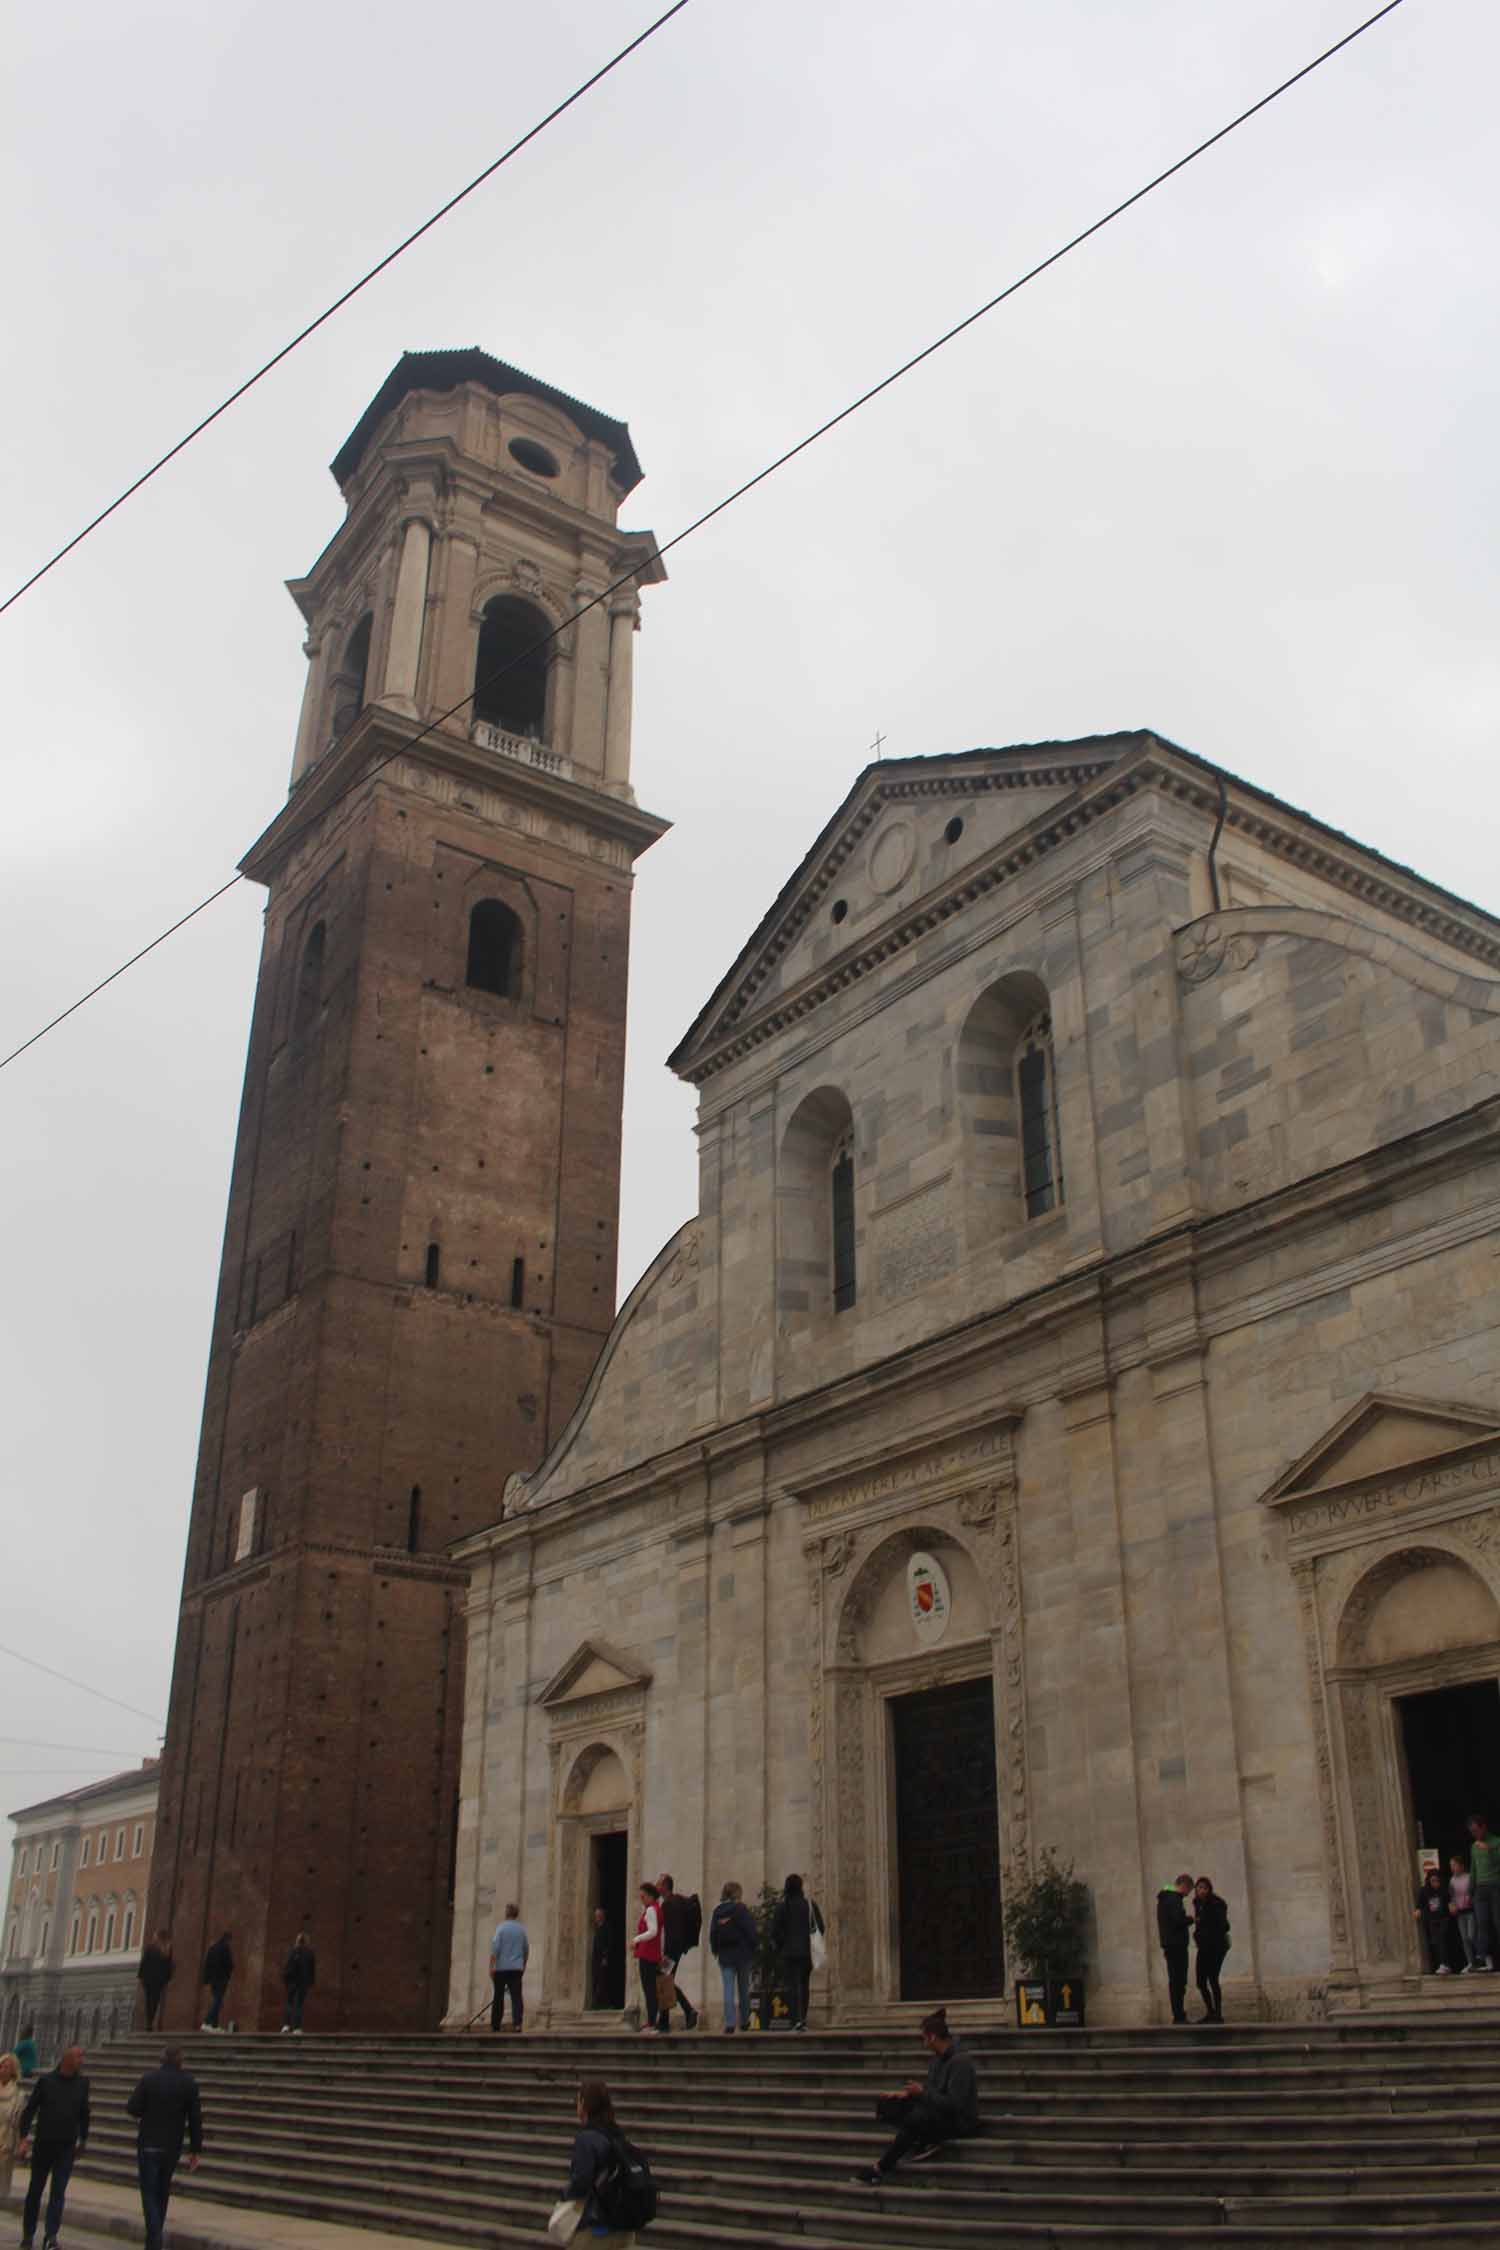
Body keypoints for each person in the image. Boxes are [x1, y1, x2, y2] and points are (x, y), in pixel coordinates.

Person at [851, 2007, 979, 2183]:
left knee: (916, 2119)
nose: (922, 2043)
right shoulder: (936, 2060)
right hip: (937, 2112)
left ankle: (880, 2167)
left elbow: (955, 2105)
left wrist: (922, 2093)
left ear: (932, 2037)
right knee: (888, 2106)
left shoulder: (960, 2062)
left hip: (959, 2122)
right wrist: (906, 2094)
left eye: (923, 2038)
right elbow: (932, 2091)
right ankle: (923, 2137)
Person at [126, 2045, 203, 2250]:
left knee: (149, 2192)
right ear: (180, 2060)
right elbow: (195, 2118)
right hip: (171, 2146)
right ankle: (154, 2236)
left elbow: (132, 2107)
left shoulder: (149, 2079)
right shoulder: (188, 2083)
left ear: (162, 2060)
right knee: (162, 2190)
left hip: (149, 2142)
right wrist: (195, 2149)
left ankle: (154, 2235)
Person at [17, 2043, 89, 2250]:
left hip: (66, 2147)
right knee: (35, 2190)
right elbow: (30, 2110)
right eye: (78, 2057)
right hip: (43, 2145)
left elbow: (84, 2113)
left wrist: (83, 2139)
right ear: (66, 2059)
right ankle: (28, 2234)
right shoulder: (46, 2082)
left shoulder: (83, 2083)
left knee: (58, 2192)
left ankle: (51, 2235)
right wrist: (24, 2138)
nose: (81, 2061)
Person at [562, 2079, 651, 2244]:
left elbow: (581, 2181)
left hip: (597, 2229)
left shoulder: (586, 2138)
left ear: (584, 2104)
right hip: (625, 2229)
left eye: (578, 2101)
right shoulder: (616, 2134)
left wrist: (564, 2195)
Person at [771, 1873, 824, 2032]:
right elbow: (820, 1926)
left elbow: (775, 1931)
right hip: (806, 1952)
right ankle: (803, 2019)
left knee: (793, 1986)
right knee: (804, 1984)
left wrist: (781, 1946)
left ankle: (796, 2019)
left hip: (789, 1953)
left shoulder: (782, 1907)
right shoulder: (809, 1905)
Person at [708, 1881, 757, 2035]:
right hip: (743, 1955)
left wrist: (716, 1950)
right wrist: (754, 1947)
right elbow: (750, 1930)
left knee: (728, 1990)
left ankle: (729, 2023)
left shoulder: (718, 1911)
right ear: (737, 1893)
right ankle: (744, 2021)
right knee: (743, 1989)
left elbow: (713, 1933)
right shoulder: (741, 1909)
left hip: (725, 1955)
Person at [655, 1875, 699, 2032]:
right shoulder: (677, 1901)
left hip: (671, 1951)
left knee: (664, 1981)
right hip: (676, 1949)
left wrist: (665, 1955)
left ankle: (688, 2011)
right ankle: (665, 2020)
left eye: (658, 1884)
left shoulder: (668, 1904)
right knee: (665, 1981)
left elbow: (672, 1932)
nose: (656, 1886)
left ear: (665, 1886)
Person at [1191, 1877, 1230, 2022]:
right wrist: (1197, 1935)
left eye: (1204, 1888)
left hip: (1216, 1947)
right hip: (1203, 1947)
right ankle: (1210, 2011)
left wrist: (1207, 1928)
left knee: (1213, 1978)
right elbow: (1199, 1925)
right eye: (1199, 1887)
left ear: (1209, 1889)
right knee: (1200, 1981)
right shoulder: (1197, 1903)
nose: (1201, 1890)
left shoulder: (1217, 1903)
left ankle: (1218, 2014)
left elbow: (1225, 1926)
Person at [1156, 1874, 1194, 2024]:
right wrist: (1191, 1919)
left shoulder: (1165, 1898)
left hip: (1170, 1944)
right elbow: (1178, 1920)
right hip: (1176, 1945)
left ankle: (1178, 2014)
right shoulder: (1173, 1898)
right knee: (1178, 1981)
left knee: (1175, 1980)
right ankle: (1179, 2015)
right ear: (1184, 1885)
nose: (1188, 1894)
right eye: (1189, 1890)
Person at [1468, 1813, 1500, 1971]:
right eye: (1471, 1832)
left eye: (1476, 1830)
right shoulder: (1474, 1847)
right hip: (1480, 1888)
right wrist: (1470, 1891)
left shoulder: (1496, 1842)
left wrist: (1489, 1850)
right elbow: (1473, 1869)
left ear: (1483, 1827)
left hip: (1495, 1886)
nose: (1474, 1834)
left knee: (1497, 1922)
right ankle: (1481, 1957)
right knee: (1482, 1924)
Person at [489, 1903, 528, 2032]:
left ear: (506, 1913)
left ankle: (496, 2024)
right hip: (516, 1968)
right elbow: (526, 1949)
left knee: (498, 1996)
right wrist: (523, 1965)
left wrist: (491, 1967)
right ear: (516, 1914)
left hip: (501, 1968)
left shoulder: (501, 1928)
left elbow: (495, 1949)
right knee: (516, 1996)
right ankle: (517, 2023)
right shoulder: (521, 1929)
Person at [632, 1883, 663, 2035]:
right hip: (652, 1954)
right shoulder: (656, 1908)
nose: (642, 1900)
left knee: (649, 1989)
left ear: (650, 1896)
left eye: (643, 1896)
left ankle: (652, 2023)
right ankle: (652, 2022)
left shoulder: (651, 1910)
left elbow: (653, 1931)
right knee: (652, 1989)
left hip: (647, 1954)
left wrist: (636, 1939)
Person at [1415, 1864, 1450, 1974]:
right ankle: (1442, 1964)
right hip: (1431, 1920)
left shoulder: (1443, 1889)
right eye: (1433, 1881)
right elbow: (1420, 1903)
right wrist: (1418, 1910)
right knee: (1435, 1942)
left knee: (1441, 1940)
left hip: (1443, 1918)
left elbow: (1449, 1900)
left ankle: (1444, 1964)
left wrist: (1451, 1904)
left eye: (1437, 1881)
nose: (1435, 1884)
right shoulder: (1424, 1890)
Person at [1, 2053, 26, 2204]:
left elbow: (18, 2122)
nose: (2, 2070)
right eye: (1, 2066)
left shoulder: (18, 2095)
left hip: (5, 2142)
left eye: (6, 2067)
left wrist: (20, 2144)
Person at [138, 1932, 174, 2033]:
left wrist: (141, 1977)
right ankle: (150, 2022)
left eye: (155, 1937)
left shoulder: (150, 1948)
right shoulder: (166, 1950)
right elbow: (168, 1966)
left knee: (149, 2001)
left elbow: (144, 1963)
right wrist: (167, 1979)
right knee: (154, 2001)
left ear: (157, 1938)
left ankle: (149, 2022)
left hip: (149, 1979)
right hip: (158, 1980)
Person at [281, 1932, 316, 2033]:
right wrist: (311, 1982)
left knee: (289, 2003)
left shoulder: (292, 1951)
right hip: (303, 1983)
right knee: (299, 2005)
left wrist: (285, 1980)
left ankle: (286, 2026)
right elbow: (312, 1969)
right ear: (306, 1941)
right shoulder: (310, 1953)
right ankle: (296, 2028)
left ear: (297, 1941)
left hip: (291, 1982)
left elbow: (287, 1966)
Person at [1449, 1853, 1478, 1972]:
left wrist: (1472, 1899)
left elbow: (1475, 1892)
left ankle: (1482, 1958)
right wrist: (1452, 1905)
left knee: (1472, 1935)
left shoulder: (1469, 1877)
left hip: (1471, 1911)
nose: (1452, 1867)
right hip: (1460, 1913)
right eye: (1451, 1865)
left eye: (1454, 1865)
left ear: (1461, 1866)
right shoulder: (1452, 1881)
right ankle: (1470, 1963)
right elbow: (1451, 1896)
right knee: (1465, 1939)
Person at [200, 1932, 234, 2031]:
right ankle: (206, 2022)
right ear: (228, 1939)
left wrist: (206, 1979)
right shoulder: (225, 1948)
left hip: (212, 1980)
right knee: (218, 2001)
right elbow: (229, 1964)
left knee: (217, 2000)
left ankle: (214, 2025)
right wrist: (229, 1973)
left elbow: (207, 1964)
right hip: (221, 1979)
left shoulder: (212, 1948)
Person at [590, 1909, 613, 2011]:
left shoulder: (606, 1928)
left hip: (602, 1958)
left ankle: (604, 2004)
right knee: (596, 1981)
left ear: (603, 1916)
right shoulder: (597, 1928)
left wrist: (605, 1957)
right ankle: (597, 2004)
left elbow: (608, 1943)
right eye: (596, 1916)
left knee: (602, 1981)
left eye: (599, 1915)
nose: (597, 1917)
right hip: (596, 1958)